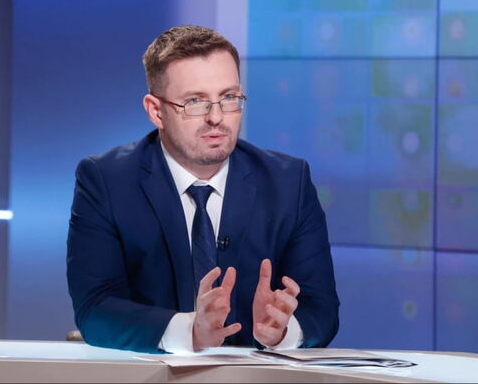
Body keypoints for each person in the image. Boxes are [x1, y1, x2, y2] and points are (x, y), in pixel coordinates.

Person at [66, 25, 339, 354]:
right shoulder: (106, 180)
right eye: (195, 101)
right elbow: (95, 310)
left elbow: (321, 310)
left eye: (229, 98)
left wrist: (282, 332)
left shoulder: (288, 182)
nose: (216, 117)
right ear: (156, 111)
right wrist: (189, 332)